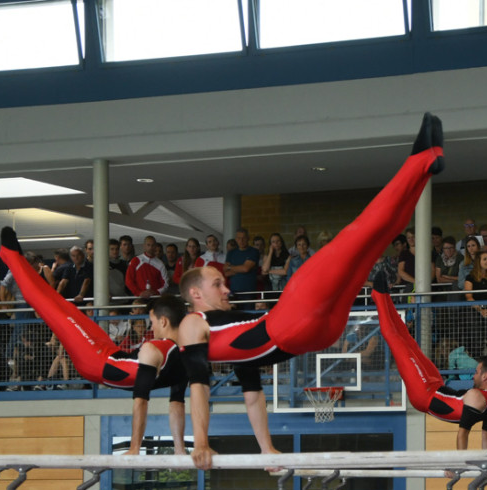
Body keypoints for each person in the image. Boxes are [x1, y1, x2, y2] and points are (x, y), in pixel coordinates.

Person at [174, 113, 444, 469]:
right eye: (217, 283)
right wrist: (201, 444)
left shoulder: (232, 346)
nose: (227, 288)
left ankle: (423, 169)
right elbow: (199, 386)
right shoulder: (192, 324)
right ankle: (420, 158)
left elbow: (253, 397)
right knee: (356, 236)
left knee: (373, 242)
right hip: (291, 321)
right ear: (195, 295)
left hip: (313, 333)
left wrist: (267, 450)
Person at [0, 230, 189, 456]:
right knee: (61, 304)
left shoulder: (157, 349)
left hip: (94, 359)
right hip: (107, 351)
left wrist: (135, 448)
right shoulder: (184, 357)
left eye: (153, 322)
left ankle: (10, 257)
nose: (151, 327)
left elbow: (141, 402)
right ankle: (19, 261)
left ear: (164, 321)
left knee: (46, 305)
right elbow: (176, 404)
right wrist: (179, 449)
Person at [371, 272, 487, 448]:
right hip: (435, 385)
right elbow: (486, 438)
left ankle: (379, 297)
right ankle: (385, 297)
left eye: (477, 372)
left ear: (486, 377)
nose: (473, 375)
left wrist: (465, 466)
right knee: (409, 343)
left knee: (396, 341)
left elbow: (463, 434)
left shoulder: (478, 397)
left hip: (423, 394)